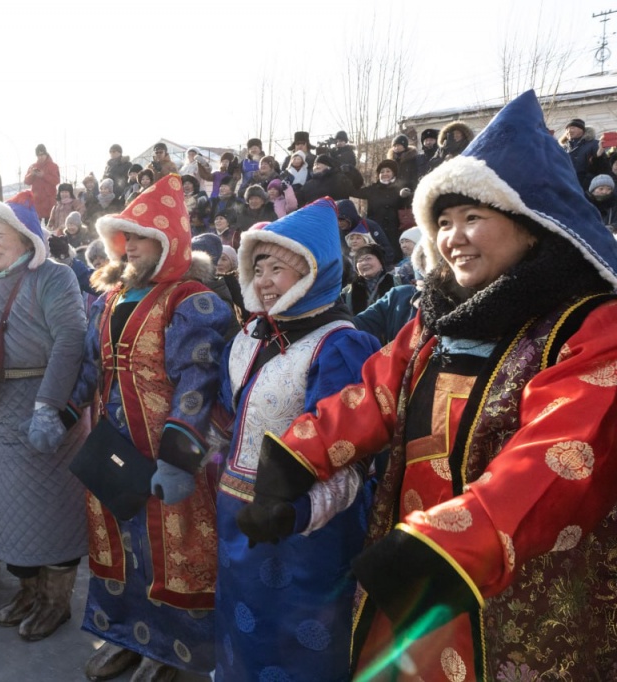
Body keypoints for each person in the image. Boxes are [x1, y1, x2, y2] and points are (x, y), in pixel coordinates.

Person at [236, 90, 617, 680]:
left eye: (473, 218)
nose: (453, 237)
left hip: (506, 574)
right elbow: (372, 399)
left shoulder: (586, 326)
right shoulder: (436, 320)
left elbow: (558, 456)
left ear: (533, 227)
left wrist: (448, 543)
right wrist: (291, 463)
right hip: (408, 555)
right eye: (442, 222)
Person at [72, 175, 231, 682]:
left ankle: (169, 649)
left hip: (165, 447)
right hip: (111, 442)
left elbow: (196, 380)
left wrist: (179, 455)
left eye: (141, 238)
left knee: (170, 546)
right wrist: (63, 409)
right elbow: (92, 365)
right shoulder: (110, 295)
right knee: (118, 538)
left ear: (170, 244)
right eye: (125, 238)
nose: (130, 246)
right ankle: (123, 634)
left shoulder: (191, 299)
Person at [214, 199, 380, 681]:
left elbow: (351, 454)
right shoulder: (249, 336)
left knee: (297, 643)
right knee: (239, 632)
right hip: (235, 516)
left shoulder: (340, 344)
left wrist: (296, 513)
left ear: (315, 274)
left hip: (304, 530)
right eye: (258, 266)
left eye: (279, 268)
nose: (263, 280)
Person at [0, 191, 89, 641]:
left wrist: (49, 406)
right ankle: (30, 590)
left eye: (0, 234)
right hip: (1, 409)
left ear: (25, 237)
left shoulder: (53, 277)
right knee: (11, 511)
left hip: (46, 406)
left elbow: (71, 340)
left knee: (53, 510)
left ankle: (55, 601)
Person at [355, 159, 412, 259]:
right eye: (382, 172)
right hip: (376, 229)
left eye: (388, 171)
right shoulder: (373, 189)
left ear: (393, 173)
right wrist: (352, 172)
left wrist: (407, 195)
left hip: (396, 229)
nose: (385, 174)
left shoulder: (401, 187)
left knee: (395, 256)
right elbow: (354, 191)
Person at [342, 243, 394, 315]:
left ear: (381, 263)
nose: (364, 263)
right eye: (359, 260)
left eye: (368, 258)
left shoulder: (398, 281)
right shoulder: (347, 291)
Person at [25, 144, 61, 221]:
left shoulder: (53, 166)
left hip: (49, 202)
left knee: (50, 227)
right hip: (37, 202)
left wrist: (44, 175)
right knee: (36, 228)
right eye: (38, 155)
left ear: (46, 154)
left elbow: (56, 180)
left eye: (42, 155)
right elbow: (26, 181)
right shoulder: (33, 166)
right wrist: (32, 174)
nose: (40, 157)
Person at [563, 117, 600, 190]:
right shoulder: (564, 147)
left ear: (581, 130)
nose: (569, 131)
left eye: (572, 128)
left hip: (588, 186)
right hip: (568, 185)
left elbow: (601, 166)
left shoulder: (594, 144)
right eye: (567, 129)